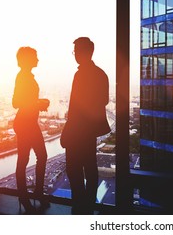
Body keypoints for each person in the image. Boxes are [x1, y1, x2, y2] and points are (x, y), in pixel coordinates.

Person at [60, 37, 110, 214]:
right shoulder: (101, 74)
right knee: (89, 166)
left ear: (83, 52)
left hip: (78, 130)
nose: (75, 55)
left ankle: (79, 203)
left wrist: (68, 129)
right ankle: (87, 203)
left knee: (73, 168)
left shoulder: (80, 74)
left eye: (76, 52)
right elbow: (103, 100)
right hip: (90, 131)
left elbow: (75, 107)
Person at [12, 46, 50, 214]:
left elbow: (26, 100)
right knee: (29, 158)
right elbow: (16, 102)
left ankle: (31, 194)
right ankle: (30, 194)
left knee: (28, 158)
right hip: (26, 123)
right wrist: (38, 104)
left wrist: (38, 102)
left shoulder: (25, 76)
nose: (38, 59)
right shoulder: (23, 77)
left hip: (28, 122)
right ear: (27, 59)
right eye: (35, 56)